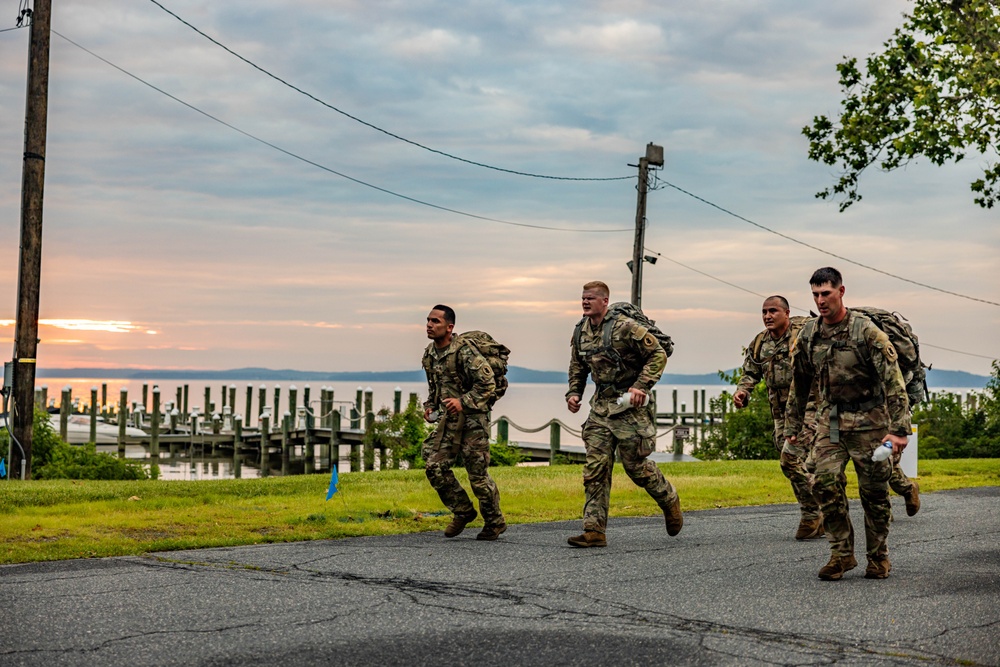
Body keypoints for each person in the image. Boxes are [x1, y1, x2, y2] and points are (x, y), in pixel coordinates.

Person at [785, 268, 910, 581]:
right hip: (832, 421)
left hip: (871, 423)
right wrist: (794, 425)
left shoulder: (866, 333)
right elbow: (799, 382)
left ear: (841, 291)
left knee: (874, 494)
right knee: (823, 483)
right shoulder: (810, 334)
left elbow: (893, 382)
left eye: (826, 293)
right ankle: (841, 555)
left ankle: (878, 556)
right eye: (815, 294)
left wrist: (899, 430)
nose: (820, 300)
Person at [565, 281, 682, 547]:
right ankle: (594, 530)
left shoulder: (626, 328)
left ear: (605, 302)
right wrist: (574, 393)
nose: (585, 302)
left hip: (629, 407)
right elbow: (577, 365)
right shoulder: (580, 331)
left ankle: (668, 498)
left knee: (636, 468)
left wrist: (641, 385)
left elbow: (658, 354)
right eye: (583, 298)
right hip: (601, 409)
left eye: (591, 298)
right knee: (596, 469)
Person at [734, 296, 824, 540]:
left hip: (809, 407)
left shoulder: (803, 334)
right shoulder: (760, 342)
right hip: (780, 412)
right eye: (764, 312)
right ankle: (825, 507)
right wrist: (743, 391)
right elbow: (750, 371)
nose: (767, 316)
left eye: (773, 311)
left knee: (789, 460)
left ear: (786, 312)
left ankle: (813, 513)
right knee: (798, 465)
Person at [421, 305, 506, 541]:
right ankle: (463, 511)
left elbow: (487, 384)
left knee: (477, 476)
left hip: (474, 421)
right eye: (428, 320)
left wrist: (463, 401)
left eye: (435, 321)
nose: (429, 325)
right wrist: (430, 406)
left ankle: (494, 522)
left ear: (449, 327)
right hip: (448, 421)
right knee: (434, 466)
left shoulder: (465, 352)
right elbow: (434, 389)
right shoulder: (429, 354)